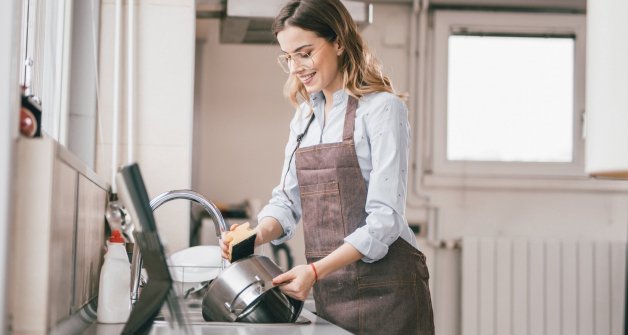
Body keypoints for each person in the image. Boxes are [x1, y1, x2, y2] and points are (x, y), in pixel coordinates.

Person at [220, 0, 435, 334]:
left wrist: (316, 271)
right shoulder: (305, 118)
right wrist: (256, 234)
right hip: (331, 292)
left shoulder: (382, 110)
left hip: (388, 292)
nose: (295, 68)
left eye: (304, 53)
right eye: (287, 57)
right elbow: (287, 201)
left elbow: (384, 221)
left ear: (338, 41)